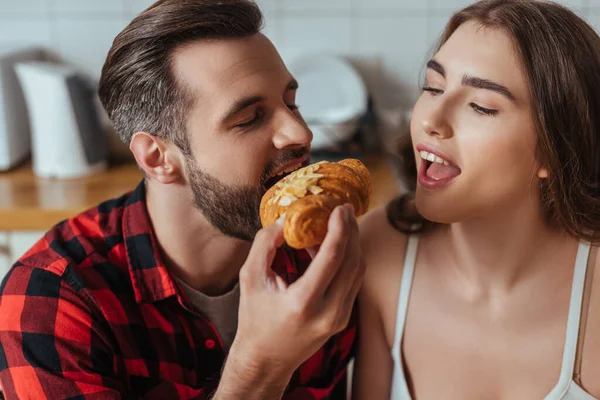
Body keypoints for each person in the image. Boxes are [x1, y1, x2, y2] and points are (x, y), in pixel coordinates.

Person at [0, 1, 364, 398]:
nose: (300, 133)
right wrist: (261, 366)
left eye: (290, 102)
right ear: (157, 158)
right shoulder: (53, 299)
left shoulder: (318, 259)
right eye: (249, 118)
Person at [353, 0, 600, 398]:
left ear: (554, 149)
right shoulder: (380, 248)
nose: (431, 120)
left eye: (481, 107)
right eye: (433, 88)